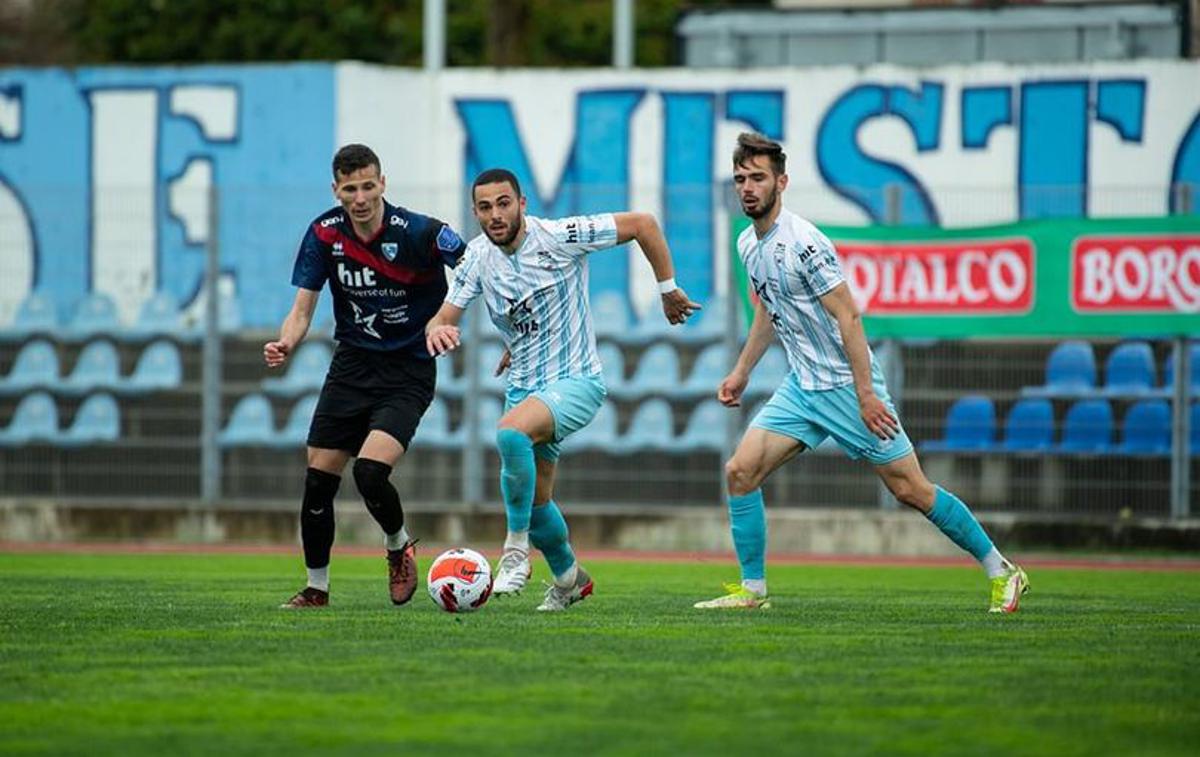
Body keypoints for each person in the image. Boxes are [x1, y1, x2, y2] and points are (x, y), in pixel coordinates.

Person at [694, 132, 1029, 614]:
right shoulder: (749, 244)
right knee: (740, 471)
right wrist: (742, 372)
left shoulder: (806, 244)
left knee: (911, 489)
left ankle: (1003, 570)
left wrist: (867, 394)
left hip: (848, 388)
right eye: (741, 179)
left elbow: (849, 316)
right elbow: (768, 311)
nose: (747, 188)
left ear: (781, 182)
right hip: (802, 387)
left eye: (758, 178)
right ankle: (754, 591)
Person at [425, 168, 699, 612]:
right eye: (484, 207)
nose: (495, 214)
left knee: (510, 433)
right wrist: (438, 331)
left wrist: (667, 290)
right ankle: (570, 579)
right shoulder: (476, 258)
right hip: (525, 388)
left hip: (577, 381)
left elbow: (643, 224)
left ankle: (515, 553)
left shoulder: (560, 236)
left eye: (503, 203)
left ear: (523, 203)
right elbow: (445, 315)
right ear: (474, 211)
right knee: (536, 504)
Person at [266, 143, 467, 609]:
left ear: (383, 183)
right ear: (336, 190)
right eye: (350, 188)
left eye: (368, 186)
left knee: (371, 473)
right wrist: (287, 342)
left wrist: (454, 321)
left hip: (408, 370)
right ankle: (317, 588)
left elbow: (476, 270)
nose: (360, 197)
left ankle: (398, 546)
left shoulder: (422, 232)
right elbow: (301, 310)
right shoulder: (323, 234)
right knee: (318, 481)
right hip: (352, 367)